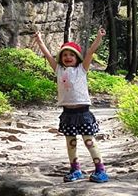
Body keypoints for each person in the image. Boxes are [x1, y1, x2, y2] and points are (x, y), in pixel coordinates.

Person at [33, 27, 109, 184]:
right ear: (61, 58)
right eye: (65, 55)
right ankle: (75, 170)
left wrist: (98, 37)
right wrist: (40, 41)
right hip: (67, 114)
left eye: (71, 55)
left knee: (89, 141)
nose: (68, 57)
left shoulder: (81, 69)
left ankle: (100, 170)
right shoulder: (59, 70)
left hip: (84, 113)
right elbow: (47, 55)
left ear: (77, 57)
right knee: (71, 142)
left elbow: (90, 52)